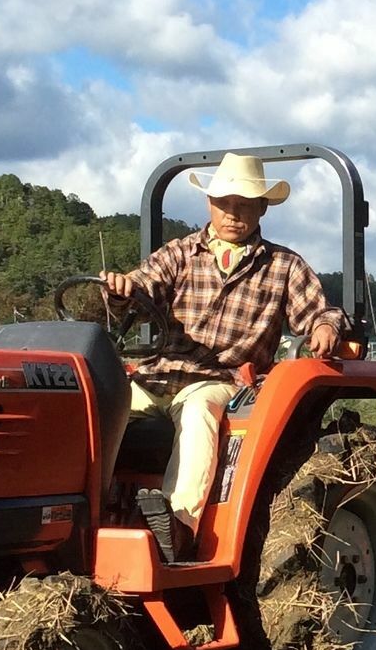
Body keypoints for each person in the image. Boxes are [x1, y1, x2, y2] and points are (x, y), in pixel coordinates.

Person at [103, 152, 345, 561]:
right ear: (209, 204)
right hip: (158, 374)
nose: (233, 214)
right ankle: (85, 509)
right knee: (98, 407)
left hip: (218, 380)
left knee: (199, 414)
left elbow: (319, 312)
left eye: (245, 205)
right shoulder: (179, 254)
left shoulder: (284, 266)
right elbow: (142, 286)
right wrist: (122, 288)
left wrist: (324, 327)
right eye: (226, 204)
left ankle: (176, 528)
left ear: (262, 208)